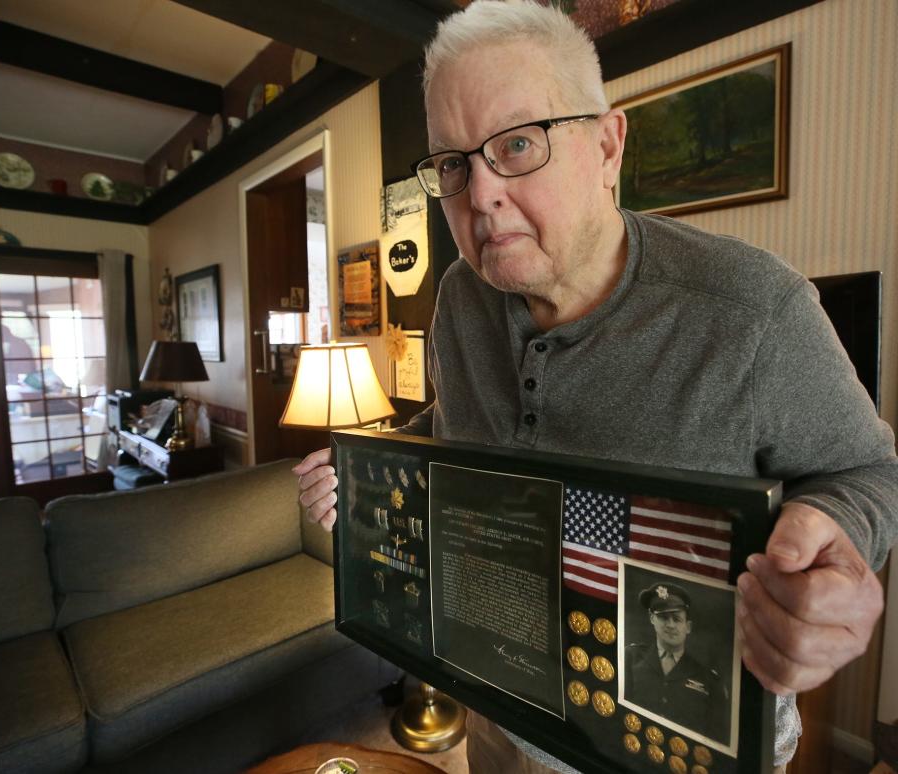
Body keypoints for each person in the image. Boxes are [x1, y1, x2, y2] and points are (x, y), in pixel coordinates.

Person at [294, 1, 897, 772]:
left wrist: (840, 545)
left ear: (608, 146)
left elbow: (869, 473)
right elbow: (458, 425)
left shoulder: (754, 311)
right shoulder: (458, 298)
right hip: (500, 710)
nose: (479, 197)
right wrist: (372, 463)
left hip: (680, 740)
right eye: (452, 163)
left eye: (517, 143)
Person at [624, 583, 729, 744]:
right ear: (652, 619)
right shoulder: (630, 658)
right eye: (663, 617)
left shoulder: (709, 680)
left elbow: (718, 737)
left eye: (677, 619)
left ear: (688, 627)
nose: (670, 625)